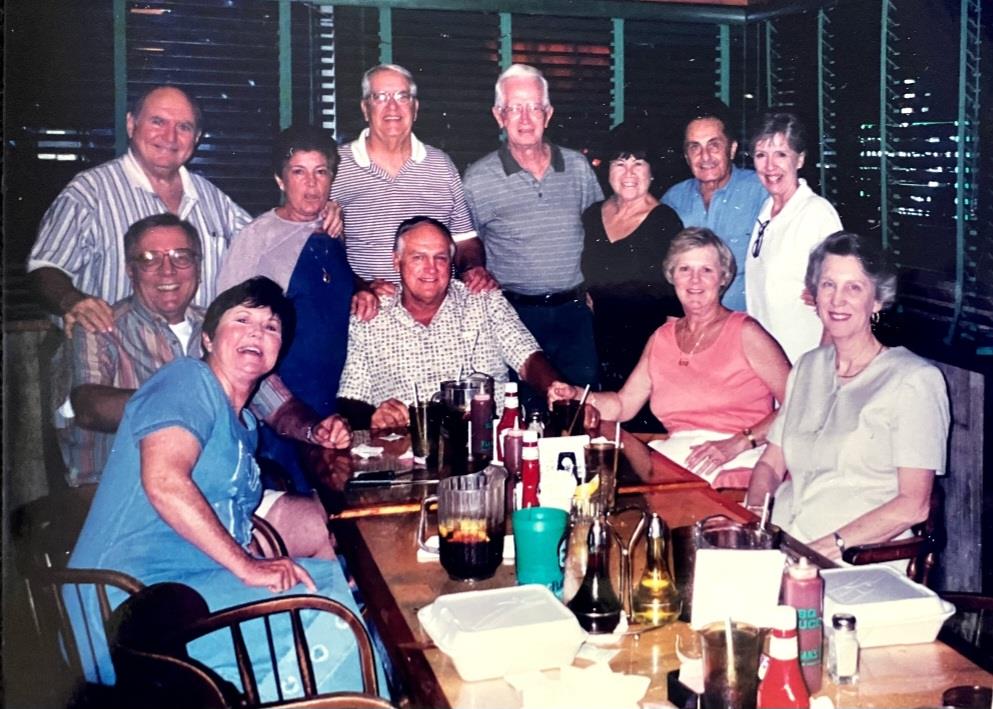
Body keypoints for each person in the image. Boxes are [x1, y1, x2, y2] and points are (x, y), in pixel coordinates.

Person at [68, 277, 385, 698]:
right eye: (242, 319)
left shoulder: (245, 424)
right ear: (207, 338)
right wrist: (247, 566)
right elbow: (164, 481)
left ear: (277, 353)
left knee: (353, 583)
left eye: (272, 327)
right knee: (338, 605)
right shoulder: (186, 380)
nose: (258, 331)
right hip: (131, 609)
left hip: (193, 588)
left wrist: (253, 558)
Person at [55, 215, 348, 558]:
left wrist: (316, 430)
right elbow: (88, 406)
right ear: (130, 269)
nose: (168, 271)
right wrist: (192, 404)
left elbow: (276, 402)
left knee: (331, 527)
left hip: (218, 489)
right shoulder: (101, 326)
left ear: (197, 264)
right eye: (150, 259)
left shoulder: (217, 324)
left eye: (182, 257)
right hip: (127, 499)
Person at [745, 232, 950, 561]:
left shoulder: (914, 380)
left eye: (854, 287)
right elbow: (770, 464)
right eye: (828, 285)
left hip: (855, 561)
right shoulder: (807, 368)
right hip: (782, 547)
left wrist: (819, 552)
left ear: (878, 301)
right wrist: (754, 520)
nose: (837, 300)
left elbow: (914, 505)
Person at [550, 228, 790, 488]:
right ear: (671, 276)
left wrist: (740, 442)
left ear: (724, 277)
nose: (695, 281)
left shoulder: (746, 332)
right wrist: (575, 395)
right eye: (684, 269)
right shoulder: (662, 338)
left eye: (706, 270)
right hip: (678, 460)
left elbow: (800, 405)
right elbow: (622, 404)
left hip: (738, 461)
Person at [217, 125, 377, 489]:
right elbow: (227, 329)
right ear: (279, 179)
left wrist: (363, 289)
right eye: (299, 172)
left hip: (337, 392)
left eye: (321, 172)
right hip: (282, 400)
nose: (311, 185)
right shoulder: (256, 238)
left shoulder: (333, 227)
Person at [27, 85, 252, 332]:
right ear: (131, 125)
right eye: (158, 122)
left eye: (184, 127)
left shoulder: (214, 200)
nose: (170, 137)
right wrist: (72, 301)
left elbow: (261, 245)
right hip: (117, 360)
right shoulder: (90, 192)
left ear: (197, 138)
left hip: (197, 360)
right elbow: (44, 268)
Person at [464, 64, 603, 411]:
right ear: (499, 115)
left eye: (534, 107)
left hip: (575, 315)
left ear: (548, 113)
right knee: (525, 419)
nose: (525, 118)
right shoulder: (479, 178)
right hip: (516, 317)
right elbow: (466, 244)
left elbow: (601, 233)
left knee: (581, 415)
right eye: (514, 108)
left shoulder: (578, 168)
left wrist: (598, 289)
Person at [337, 217, 561, 429]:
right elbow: (351, 397)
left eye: (440, 258)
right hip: (409, 454)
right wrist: (373, 416)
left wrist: (557, 390)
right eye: (418, 257)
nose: (431, 268)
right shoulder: (370, 315)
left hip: (489, 447)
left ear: (451, 263)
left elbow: (528, 357)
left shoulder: (482, 300)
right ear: (397, 261)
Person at [331, 64, 494, 293]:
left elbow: (464, 240)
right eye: (380, 97)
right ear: (365, 108)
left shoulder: (441, 166)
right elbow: (318, 249)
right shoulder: (335, 166)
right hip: (365, 308)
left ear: (415, 108)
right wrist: (360, 287)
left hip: (435, 308)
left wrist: (473, 268)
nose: (392, 106)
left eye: (402, 96)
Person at [582, 126, 683, 429]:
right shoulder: (591, 215)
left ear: (652, 172)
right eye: (620, 163)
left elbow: (675, 306)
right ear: (607, 169)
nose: (629, 172)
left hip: (645, 351)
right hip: (596, 345)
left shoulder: (665, 221)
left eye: (638, 163)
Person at [746, 110, 843, 363]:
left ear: (799, 159)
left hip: (805, 361)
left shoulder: (817, 214)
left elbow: (841, 302)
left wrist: (819, 369)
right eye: (761, 155)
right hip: (768, 363)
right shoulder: (766, 211)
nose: (769, 166)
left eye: (781, 154)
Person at [661, 99, 767, 312]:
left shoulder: (760, 192)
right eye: (695, 148)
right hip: (691, 325)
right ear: (686, 156)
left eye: (714, 145)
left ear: (732, 149)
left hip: (748, 325)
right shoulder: (672, 201)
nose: (705, 156)